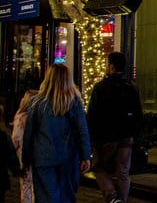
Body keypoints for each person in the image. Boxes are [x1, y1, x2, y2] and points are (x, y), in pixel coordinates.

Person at [21, 64, 91, 203]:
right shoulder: (74, 102)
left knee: (46, 196)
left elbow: (29, 133)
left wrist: (25, 159)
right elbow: (83, 131)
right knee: (66, 196)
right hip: (68, 157)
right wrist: (86, 156)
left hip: (43, 157)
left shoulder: (37, 102)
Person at [87, 52, 144, 203]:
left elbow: (93, 115)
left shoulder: (101, 88)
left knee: (98, 166)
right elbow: (138, 114)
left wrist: (92, 138)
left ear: (111, 67)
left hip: (107, 136)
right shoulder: (131, 87)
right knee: (123, 171)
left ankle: (111, 196)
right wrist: (136, 135)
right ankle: (122, 200)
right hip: (127, 136)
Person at [11, 89, 37, 203]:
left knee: (26, 185)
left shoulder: (20, 117)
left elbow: (15, 139)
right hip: (38, 155)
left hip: (23, 155)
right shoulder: (40, 117)